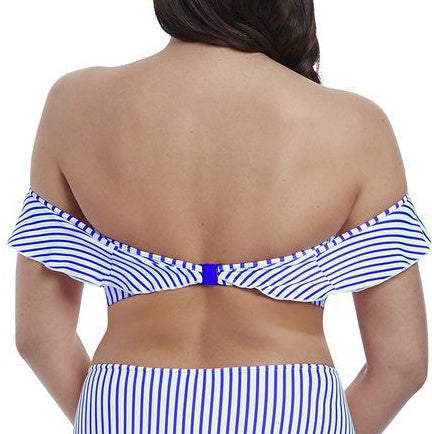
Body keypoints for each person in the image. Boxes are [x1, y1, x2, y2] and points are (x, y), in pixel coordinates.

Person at [7, 1, 431, 433]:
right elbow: (402, 363)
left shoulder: (76, 104)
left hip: (127, 403)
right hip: (290, 406)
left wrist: (104, 418)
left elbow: (39, 336)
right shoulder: (356, 124)